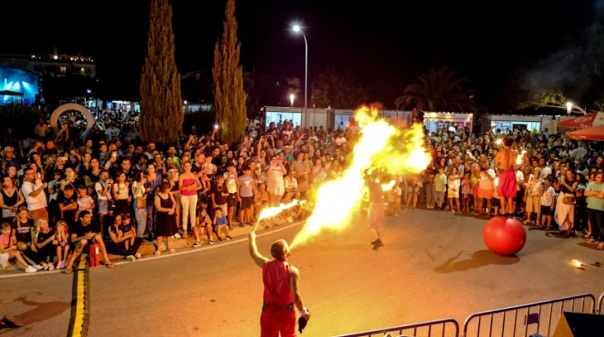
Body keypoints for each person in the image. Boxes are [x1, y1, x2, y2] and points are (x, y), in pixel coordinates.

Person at [248, 230, 310, 337]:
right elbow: (296, 296)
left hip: (268, 313)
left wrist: (251, 238)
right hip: (286, 314)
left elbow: (254, 253)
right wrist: (303, 312)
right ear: (285, 253)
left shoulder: (266, 265)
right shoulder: (292, 271)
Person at [494, 136, 518, 216]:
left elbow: (496, 165)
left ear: (503, 143)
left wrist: (500, 172)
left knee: (502, 193)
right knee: (510, 192)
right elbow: (516, 166)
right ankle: (510, 210)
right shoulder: (514, 153)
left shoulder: (500, 153)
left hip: (503, 173)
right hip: (511, 173)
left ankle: (503, 211)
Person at [154, 182, 178, 256]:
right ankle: (159, 249)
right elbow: (159, 208)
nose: (169, 190)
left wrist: (173, 209)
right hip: (161, 216)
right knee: (160, 233)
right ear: (164, 188)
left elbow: (174, 202)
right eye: (167, 188)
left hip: (169, 216)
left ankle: (170, 246)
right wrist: (168, 210)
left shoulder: (169, 194)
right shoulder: (157, 196)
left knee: (169, 232)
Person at [366, 169, 386, 250]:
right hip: (380, 205)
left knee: (371, 226)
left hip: (374, 206)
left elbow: (368, 198)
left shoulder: (370, 185)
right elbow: (382, 194)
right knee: (376, 225)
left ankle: (378, 241)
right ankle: (377, 239)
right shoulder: (379, 184)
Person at [584, 171, 604, 249]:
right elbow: (585, 193)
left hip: (600, 207)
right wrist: (596, 192)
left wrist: (591, 193)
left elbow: (602, 196)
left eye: (602, 177)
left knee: (600, 225)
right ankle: (595, 238)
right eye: (598, 177)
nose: (600, 179)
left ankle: (602, 241)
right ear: (595, 177)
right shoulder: (591, 184)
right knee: (593, 224)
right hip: (590, 206)